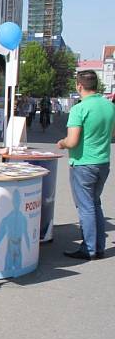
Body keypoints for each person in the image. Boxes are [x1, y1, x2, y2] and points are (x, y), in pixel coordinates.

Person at [57, 70, 115, 260]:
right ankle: (98, 246)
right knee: (95, 203)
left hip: (83, 163)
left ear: (79, 86)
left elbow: (72, 141)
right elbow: (112, 134)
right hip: (103, 162)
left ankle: (89, 248)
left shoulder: (79, 109)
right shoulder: (109, 106)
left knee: (86, 207)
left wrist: (62, 143)